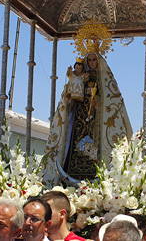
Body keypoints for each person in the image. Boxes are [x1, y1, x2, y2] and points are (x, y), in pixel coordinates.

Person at [44, 20, 133, 185]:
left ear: (98, 61)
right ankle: (71, 173)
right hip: (79, 115)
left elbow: (113, 100)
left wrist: (98, 103)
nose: (92, 62)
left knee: (95, 143)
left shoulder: (106, 80)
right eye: (89, 60)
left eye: (94, 59)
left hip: (97, 119)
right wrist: (68, 99)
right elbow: (68, 95)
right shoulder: (79, 77)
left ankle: (98, 173)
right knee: (76, 144)